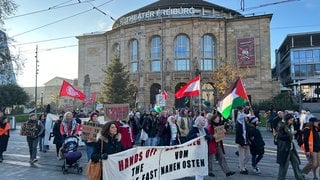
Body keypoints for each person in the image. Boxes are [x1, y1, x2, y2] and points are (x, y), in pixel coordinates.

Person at [276, 113, 305, 180]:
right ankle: (281, 178)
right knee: (284, 165)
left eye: (293, 120)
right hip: (284, 148)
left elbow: (297, 130)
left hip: (291, 147)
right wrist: (290, 134)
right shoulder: (281, 125)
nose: (292, 121)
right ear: (287, 120)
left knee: (296, 162)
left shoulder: (291, 125)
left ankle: (299, 177)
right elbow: (280, 137)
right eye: (291, 120)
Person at [207, 113, 235, 177]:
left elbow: (222, 135)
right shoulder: (210, 127)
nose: (218, 119)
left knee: (222, 157)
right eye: (217, 118)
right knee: (210, 159)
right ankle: (209, 171)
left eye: (218, 118)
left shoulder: (219, 126)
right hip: (212, 145)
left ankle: (227, 171)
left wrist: (224, 132)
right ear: (213, 119)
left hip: (218, 144)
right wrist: (213, 136)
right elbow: (208, 136)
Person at [187, 115, 212, 180]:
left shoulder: (205, 129)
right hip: (196, 151)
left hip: (204, 151)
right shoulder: (194, 129)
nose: (204, 122)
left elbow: (210, 138)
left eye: (204, 120)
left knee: (202, 166)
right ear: (199, 121)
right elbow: (188, 138)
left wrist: (206, 136)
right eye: (203, 120)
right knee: (198, 166)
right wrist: (196, 135)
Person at [235, 107, 250, 175]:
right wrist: (242, 143)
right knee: (242, 156)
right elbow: (238, 135)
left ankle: (241, 165)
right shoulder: (239, 124)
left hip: (246, 141)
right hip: (241, 142)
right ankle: (242, 168)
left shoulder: (246, 124)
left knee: (248, 156)